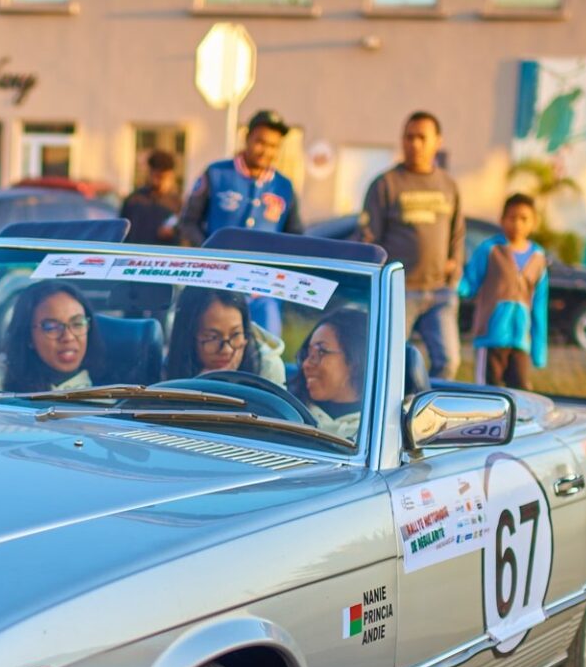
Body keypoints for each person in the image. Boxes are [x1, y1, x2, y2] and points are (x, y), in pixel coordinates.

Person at [357, 111, 466, 380]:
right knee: (389, 363)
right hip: (400, 292)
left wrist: (453, 273)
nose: (414, 144)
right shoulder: (385, 184)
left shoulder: (448, 185)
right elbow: (369, 240)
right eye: (408, 137)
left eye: (421, 137)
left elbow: (458, 233)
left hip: (439, 292)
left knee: (448, 361)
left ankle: (432, 414)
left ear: (437, 142)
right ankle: (395, 415)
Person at [457, 193, 550, 390]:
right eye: (512, 217)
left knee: (520, 392)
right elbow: (470, 282)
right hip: (490, 336)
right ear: (502, 220)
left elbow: (540, 306)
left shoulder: (539, 258)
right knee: (488, 393)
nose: (517, 224)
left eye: (524, 219)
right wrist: (453, 283)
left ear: (533, 223)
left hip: (520, 340)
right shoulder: (490, 249)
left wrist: (539, 351)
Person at [176, 110, 304, 248]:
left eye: (273, 146)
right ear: (247, 138)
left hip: (264, 267)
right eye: (260, 142)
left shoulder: (283, 186)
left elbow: (295, 234)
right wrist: (209, 250)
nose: (265, 151)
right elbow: (188, 222)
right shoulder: (216, 173)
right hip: (219, 265)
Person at [0, 281, 103, 392]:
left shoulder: (110, 390)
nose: (68, 337)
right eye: (51, 327)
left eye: (77, 324)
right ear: (28, 337)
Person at [162, 288, 286, 386]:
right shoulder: (168, 369)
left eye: (236, 334)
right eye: (213, 337)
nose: (227, 350)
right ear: (188, 337)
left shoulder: (267, 366)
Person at [288, 307, 369, 440]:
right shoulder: (287, 411)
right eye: (307, 354)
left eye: (320, 352)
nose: (306, 364)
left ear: (355, 360)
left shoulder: (378, 431)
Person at [121, 150, 183, 246]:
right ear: (149, 172)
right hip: (135, 256)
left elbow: (185, 236)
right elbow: (122, 233)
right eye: (155, 176)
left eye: (162, 178)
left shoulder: (178, 204)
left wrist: (173, 233)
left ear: (171, 176)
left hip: (163, 257)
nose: (157, 182)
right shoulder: (133, 200)